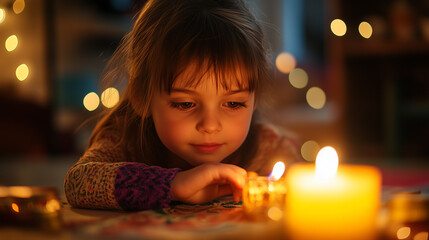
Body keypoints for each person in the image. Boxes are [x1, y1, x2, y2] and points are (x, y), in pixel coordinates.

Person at [64, 0, 300, 211]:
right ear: (140, 97)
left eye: (233, 103)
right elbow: (78, 183)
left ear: (254, 99)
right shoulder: (126, 139)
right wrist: (174, 185)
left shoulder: (267, 148)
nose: (210, 125)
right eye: (185, 104)